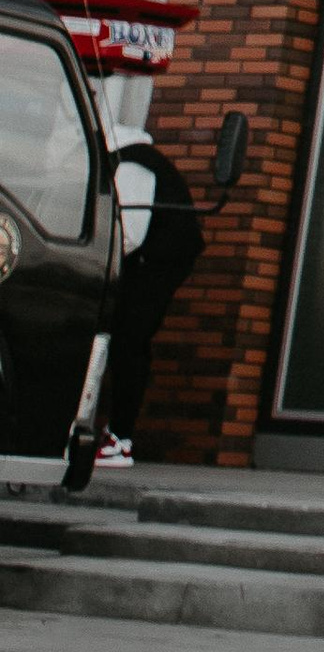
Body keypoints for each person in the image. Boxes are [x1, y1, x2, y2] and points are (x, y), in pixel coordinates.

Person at [96, 126, 205, 465]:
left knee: (129, 340)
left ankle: (120, 439)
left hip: (155, 261)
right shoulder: (134, 158)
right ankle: (115, 434)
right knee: (124, 340)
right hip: (155, 258)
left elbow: (129, 233)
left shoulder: (131, 163)